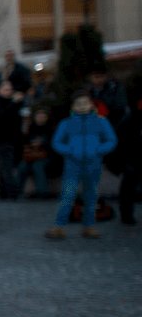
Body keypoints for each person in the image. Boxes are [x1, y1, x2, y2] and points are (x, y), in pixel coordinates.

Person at [45, 89, 118, 239]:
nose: (82, 106)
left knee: (91, 196)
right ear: (73, 106)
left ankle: (89, 226)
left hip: (93, 164)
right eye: (78, 103)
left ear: (91, 104)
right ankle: (59, 226)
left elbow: (111, 140)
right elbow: (56, 142)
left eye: (85, 103)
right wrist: (69, 150)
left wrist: (99, 150)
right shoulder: (66, 123)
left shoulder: (101, 121)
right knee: (67, 195)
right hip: (72, 165)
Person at [17, 106, 54, 199]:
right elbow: (23, 142)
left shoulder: (51, 128)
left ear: (47, 117)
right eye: (38, 115)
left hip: (45, 156)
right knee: (22, 166)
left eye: (43, 116)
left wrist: (43, 143)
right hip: (30, 155)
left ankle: (42, 193)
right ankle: (17, 192)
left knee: (38, 166)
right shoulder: (30, 127)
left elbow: (53, 143)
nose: (40, 117)